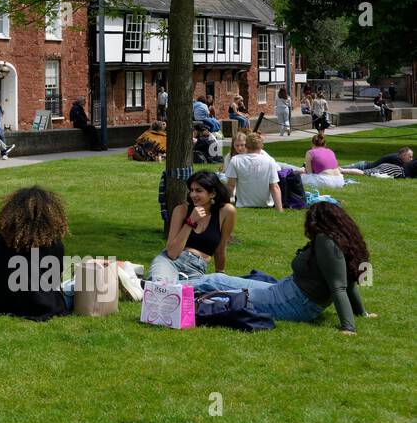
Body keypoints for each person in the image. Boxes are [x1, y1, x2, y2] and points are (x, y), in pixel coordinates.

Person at [187, 203, 376, 333]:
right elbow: (349, 282)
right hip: (286, 291)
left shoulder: (325, 241)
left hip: (292, 302)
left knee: (225, 296)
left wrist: (348, 327)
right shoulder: (337, 240)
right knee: (216, 279)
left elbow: (340, 286)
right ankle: (164, 287)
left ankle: (167, 293)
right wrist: (362, 313)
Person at [0, 187, 71, 320]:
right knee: (77, 285)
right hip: (41, 304)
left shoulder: (1, 238)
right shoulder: (54, 243)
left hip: (0, 301)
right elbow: (54, 276)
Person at [147, 171, 236, 283]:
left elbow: (221, 248)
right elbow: (172, 253)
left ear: (212, 194)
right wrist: (191, 221)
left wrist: (220, 274)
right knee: (160, 286)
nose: (193, 195)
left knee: (189, 294)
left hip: (196, 267)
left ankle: (136, 283)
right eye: (191, 190)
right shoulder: (181, 210)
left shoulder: (226, 211)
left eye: (198, 190)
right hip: (169, 261)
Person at [225, 131, 283, 210]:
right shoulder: (270, 160)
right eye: (237, 145)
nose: (239, 148)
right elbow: (274, 187)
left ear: (246, 145)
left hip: (243, 204)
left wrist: (225, 204)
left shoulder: (235, 160)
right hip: (265, 204)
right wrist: (279, 209)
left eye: (242, 145)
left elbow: (230, 185)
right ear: (261, 146)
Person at [342, 146, 413, 174]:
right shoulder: (396, 159)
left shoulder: (397, 157)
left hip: (364, 165)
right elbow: (403, 170)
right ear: (404, 155)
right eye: (409, 157)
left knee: (340, 169)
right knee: (339, 169)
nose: (411, 159)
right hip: (363, 166)